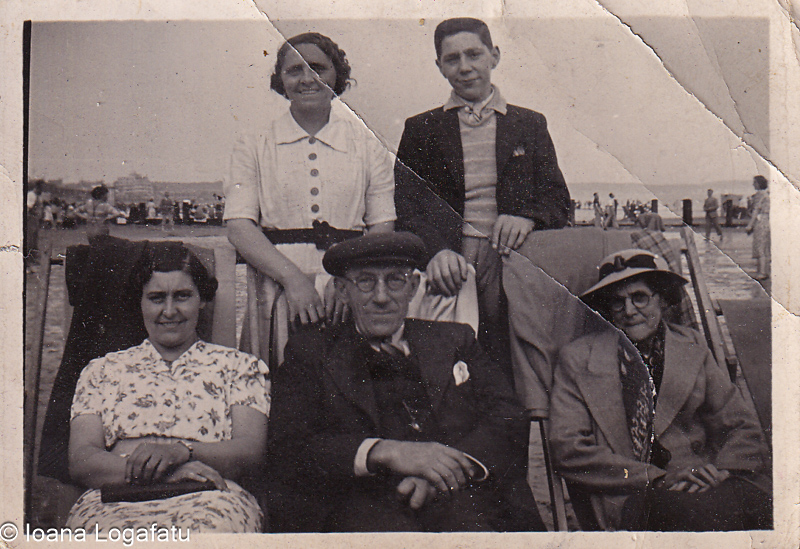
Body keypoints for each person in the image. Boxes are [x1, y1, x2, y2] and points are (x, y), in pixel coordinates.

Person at [266, 232, 543, 532]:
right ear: (343, 291)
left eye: (395, 280)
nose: (382, 297)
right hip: (362, 506)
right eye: (366, 281)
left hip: (464, 498)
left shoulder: (455, 339)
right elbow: (288, 447)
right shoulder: (310, 352)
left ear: (413, 288)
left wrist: (443, 473)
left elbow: (509, 418)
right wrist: (385, 452)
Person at [395, 17, 569, 376]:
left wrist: (527, 216)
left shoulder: (529, 124)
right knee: (455, 367)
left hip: (512, 259)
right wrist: (435, 252)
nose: (465, 67)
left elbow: (558, 200)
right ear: (439, 66)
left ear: (495, 56)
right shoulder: (420, 128)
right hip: (451, 264)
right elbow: (406, 207)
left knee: (515, 369)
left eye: (474, 54)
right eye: (452, 58)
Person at [549, 249, 770, 531]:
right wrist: (655, 476)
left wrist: (722, 470)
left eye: (639, 297)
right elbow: (568, 448)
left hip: (705, 477)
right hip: (634, 489)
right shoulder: (579, 358)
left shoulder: (692, 345)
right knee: (703, 518)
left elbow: (740, 423)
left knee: (762, 508)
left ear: (663, 299)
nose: (629, 311)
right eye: (617, 303)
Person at [65, 243, 270, 532]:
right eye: (157, 298)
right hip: (116, 498)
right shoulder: (102, 370)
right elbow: (82, 459)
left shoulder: (239, 367)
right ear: (140, 302)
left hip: (210, 500)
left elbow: (250, 452)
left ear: (202, 299)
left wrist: (182, 452)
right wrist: (164, 474)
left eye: (183, 296)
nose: (169, 311)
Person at [225, 32, 394, 330]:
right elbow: (239, 227)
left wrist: (349, 280)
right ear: (280, 79)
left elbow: (382, 225)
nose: (307, 78)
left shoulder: (368, 146)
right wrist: (293, 280)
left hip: (350, 290)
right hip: (275, 286)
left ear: (337, 75)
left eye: (318, 68)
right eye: (294, 70)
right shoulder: (252, 144)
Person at [746, 175, 770, 280]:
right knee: (765, 248)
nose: (753, 184)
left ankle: (762, 272)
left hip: (760, 223)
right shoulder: (766, 195)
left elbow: (755, 211)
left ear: (759, 184)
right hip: (766, 222)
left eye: (754, 182)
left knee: (760, 247)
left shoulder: (759, 195)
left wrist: (750, 225)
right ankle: (764, 271)